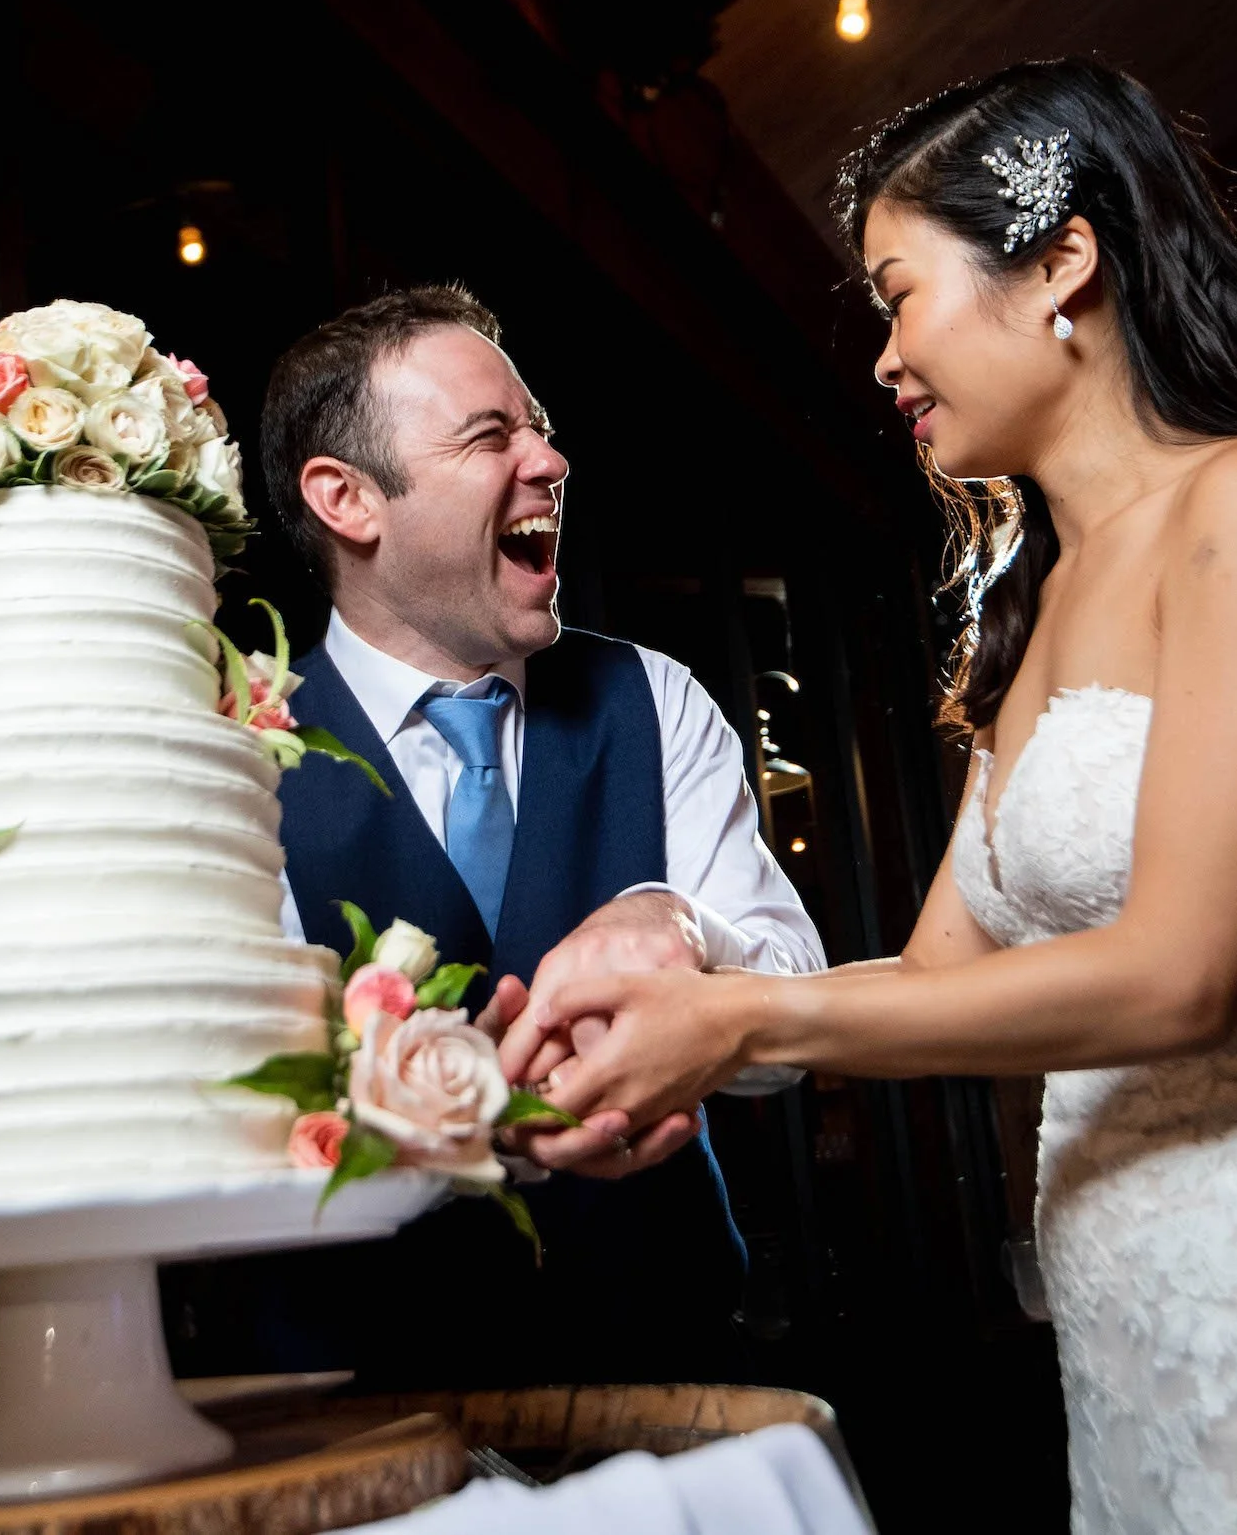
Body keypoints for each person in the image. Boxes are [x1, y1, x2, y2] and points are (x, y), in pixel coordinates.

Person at [498, 58, 1237, 1528]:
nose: (884, 359)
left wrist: (750, 1015)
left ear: (1064, 261)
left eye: (898, 293)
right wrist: (682, 999)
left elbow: (1183, 974)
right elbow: (939, 978)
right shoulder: (1041, 603)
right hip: (1130, 1367)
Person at [245, 283, 824, 1387]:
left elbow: (792, 1027)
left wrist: (683, 927)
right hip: (358, 1409)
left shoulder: (652, 698)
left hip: (668, 1379)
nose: (549, 461)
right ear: (347, 498)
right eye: (490, 434)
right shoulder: (234, 752)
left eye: (542, 428)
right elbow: (224, 1095)